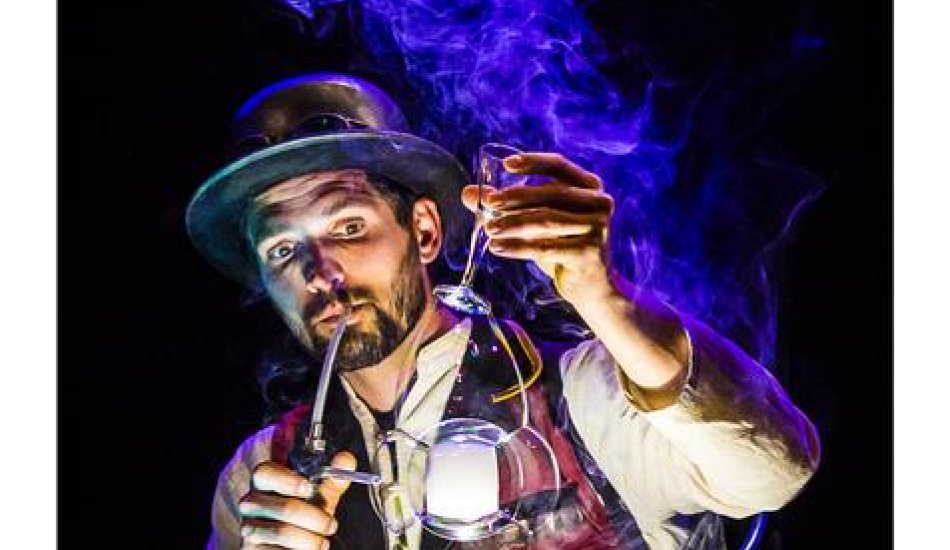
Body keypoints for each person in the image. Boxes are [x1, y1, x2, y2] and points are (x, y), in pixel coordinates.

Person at [187, 73, 820, 550]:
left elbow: (773, 473)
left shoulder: (584, 397)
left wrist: (606, 297)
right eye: (283, 249)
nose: (320, 272)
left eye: (349, 227)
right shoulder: (260, 474)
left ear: (425, 232)